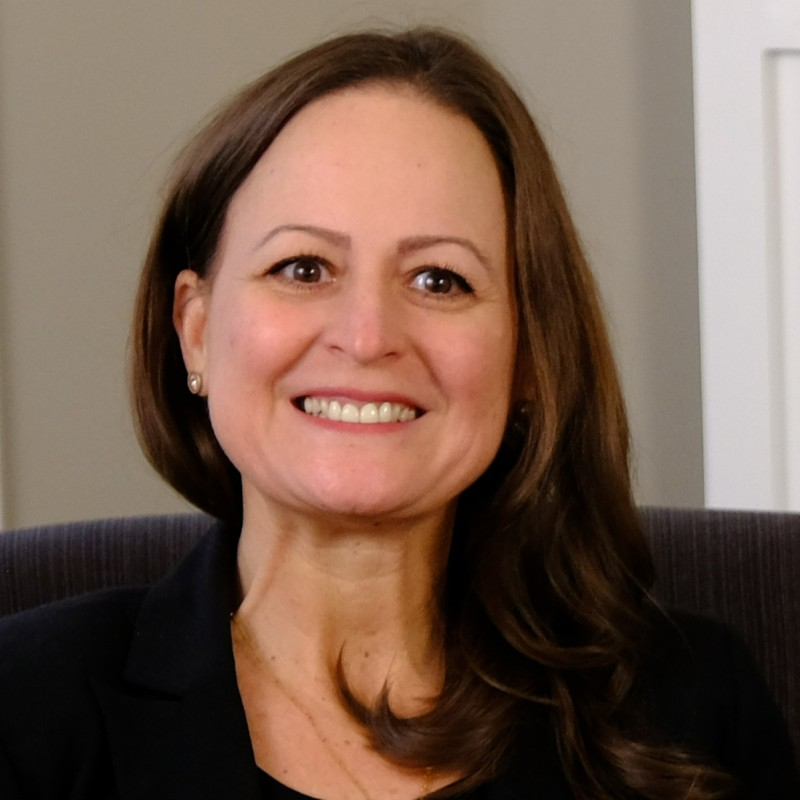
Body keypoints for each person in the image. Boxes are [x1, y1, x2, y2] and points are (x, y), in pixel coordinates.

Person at [0, 27, 797, 800]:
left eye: (438, 280)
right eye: (302, 268)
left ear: (528, 356)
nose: (367, 336)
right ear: (197, 330)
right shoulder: (24, 708)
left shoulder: (694, 710)